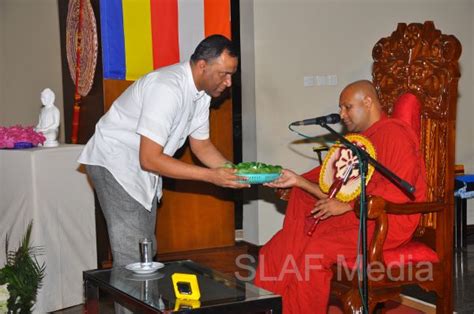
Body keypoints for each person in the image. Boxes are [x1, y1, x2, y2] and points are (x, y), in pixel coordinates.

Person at [254, 80, 427, 313]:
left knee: (313, 253)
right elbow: (329, 179)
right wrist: (296, 181)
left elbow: (397, 190)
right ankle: (270, 308)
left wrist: (347, 206)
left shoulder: (394, 134)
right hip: (354, 216)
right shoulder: (360, 140)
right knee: (276, 249)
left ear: (367, 102)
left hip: (384, 221)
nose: (341, 114)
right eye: (340, 108)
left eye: (347, 107)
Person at [78, 35, 249, 269]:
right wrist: (211, 176)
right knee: (134, 258)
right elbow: (149, 159)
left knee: (145, 249)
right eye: (224, 74)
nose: (229, 82)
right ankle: (135, 303)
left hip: (140, 168)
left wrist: (235, 172)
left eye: (232, 74)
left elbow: (202, 145)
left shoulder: (201, 95)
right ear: (202, 66)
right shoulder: (167, 88)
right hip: (115, 164)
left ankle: (145, 302)